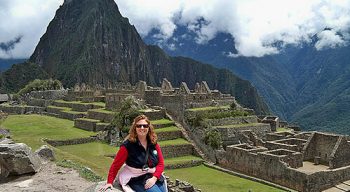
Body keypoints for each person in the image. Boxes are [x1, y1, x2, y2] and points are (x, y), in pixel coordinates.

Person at [100, 115, 167, 192]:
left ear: (149, 128)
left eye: (145, 126)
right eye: (139, 126)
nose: (142, 128)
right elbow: (116, 165)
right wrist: (109, 182)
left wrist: (154, 178)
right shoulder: (127, 146)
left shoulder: (153, 143)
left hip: (153, 176)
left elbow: (160, 163)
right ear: (135, 128)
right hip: (137, 178)